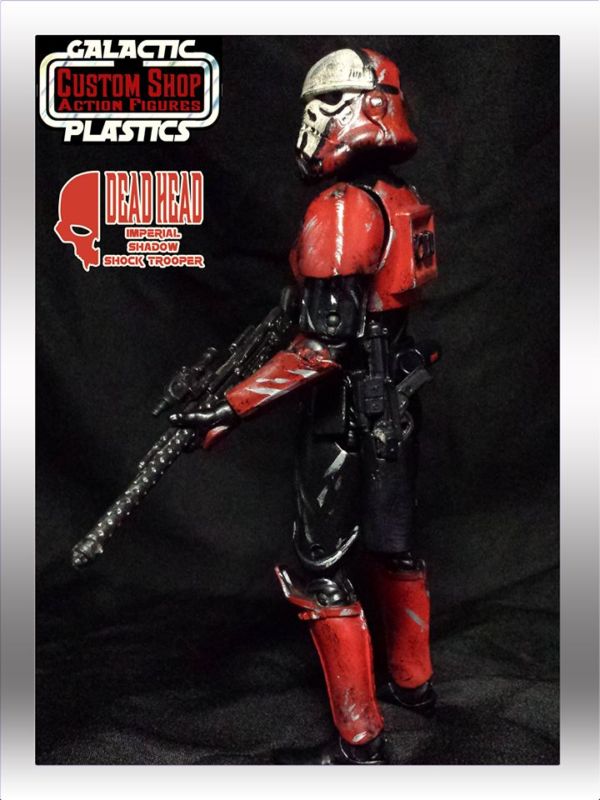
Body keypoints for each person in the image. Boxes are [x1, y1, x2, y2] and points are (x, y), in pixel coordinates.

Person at [170, 47, 439, 765]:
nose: (312, 123)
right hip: (399, 397)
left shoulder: (343, 208)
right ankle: (415, 684)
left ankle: (361, 738)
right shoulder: (403, 197)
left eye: (324, 107)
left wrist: (231, 406)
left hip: (347, 409)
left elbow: (324, 347)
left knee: (319, 569)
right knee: (394, 545)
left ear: (360, 109)